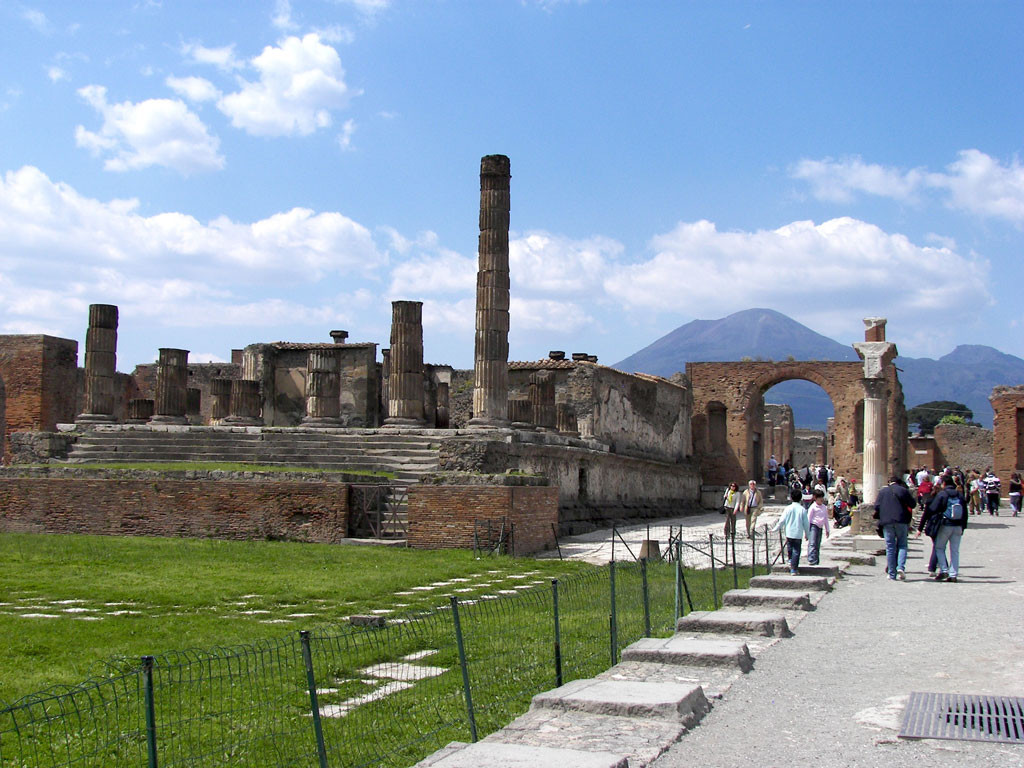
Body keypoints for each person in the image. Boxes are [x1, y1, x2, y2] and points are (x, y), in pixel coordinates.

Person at [919, 475, 968, 582]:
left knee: (939, 548)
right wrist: (963, 526)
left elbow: (932, 509)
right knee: (955, 551)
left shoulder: (942, 494)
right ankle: (953, 574)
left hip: (945, 524)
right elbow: (965, 512)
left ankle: (944, 570)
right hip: (958, 525)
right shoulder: (959, 495)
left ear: (944, 484)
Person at [874, 475, 915, 581]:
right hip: (901, 520)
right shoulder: (903, 490)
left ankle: (892, 574)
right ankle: (900, 567)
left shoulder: (883, 492)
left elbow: (876, 506)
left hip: (887, 522)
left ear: (889, 482)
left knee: (890, 547)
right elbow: (913, 504)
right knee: (902, 545)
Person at [772, 487, 809, 575]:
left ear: (791, 498)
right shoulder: (802, 510)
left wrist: (775, 529)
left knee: (790, 548)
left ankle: (790, 561)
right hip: (798, 533)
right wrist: (807, 534)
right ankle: (794, 569)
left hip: (789, 532)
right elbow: (806, 524)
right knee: (796, 551)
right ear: (801, 498)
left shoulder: (788, 508)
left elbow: (782, 520)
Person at [806, 488, 831, 566]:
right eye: (819, 498)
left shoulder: (824, 507)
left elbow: (826, 519)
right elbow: (808, 519)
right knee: (812, 543)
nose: (821, 499)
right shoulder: (813, 507)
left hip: (820, 527)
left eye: (822, 497)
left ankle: (816, 559)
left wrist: (827, 530)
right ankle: (811, 559)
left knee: (818, 543)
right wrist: (806, 531)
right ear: (815, 498)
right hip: (814, 526)